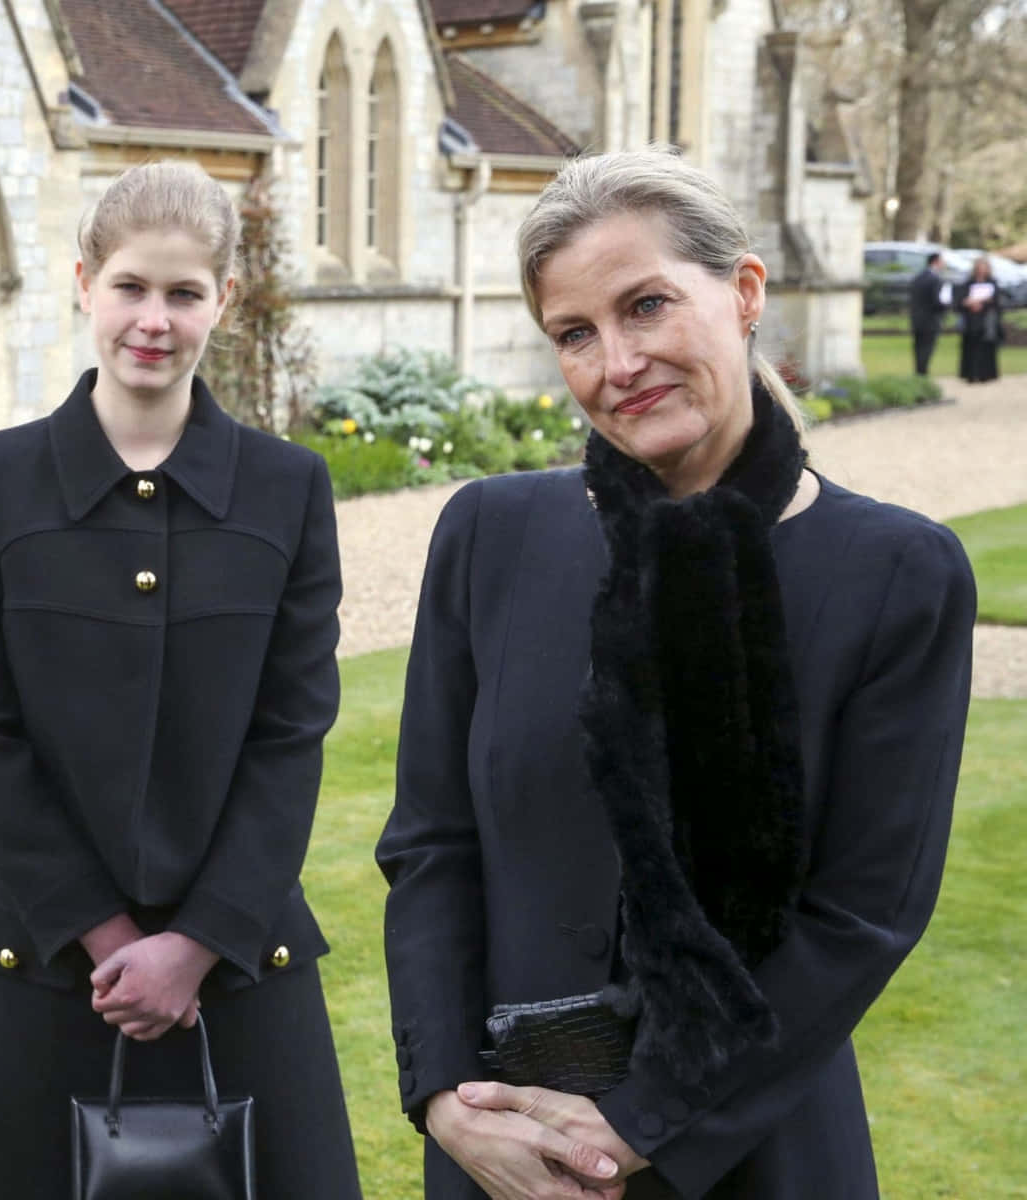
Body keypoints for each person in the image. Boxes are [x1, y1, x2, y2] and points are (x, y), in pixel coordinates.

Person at [377, 148, 974, 1200]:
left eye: (646, 306)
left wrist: (639, 1122)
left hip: (753, 1149)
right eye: (576, 333)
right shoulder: (490, 536)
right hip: (507, 1154)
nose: (617, 362)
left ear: (744, 293)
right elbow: (433, 844)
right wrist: (446, 1103)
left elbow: (863, 914)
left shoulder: (896, 573)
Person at [0, 161, 364, 1199]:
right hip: (40, 974)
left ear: (225, 299)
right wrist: (112, 937)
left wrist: (198, 942)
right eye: (130, 286)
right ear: (84, 282)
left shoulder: (287, 489)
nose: (153, 320)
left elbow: (290, 733)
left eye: (183, 292)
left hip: (241, 981)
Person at [955, 255, 1005, 383]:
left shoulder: (992, 283)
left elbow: (997, 302)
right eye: (979, 267)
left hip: (986, 320)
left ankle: (985, 374)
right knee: (970, 347)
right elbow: (959, 301)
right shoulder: (968, 283)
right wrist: (969, 303)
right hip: (971, 321)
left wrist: (982, 303)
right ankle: (970, 374)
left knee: (986, 346)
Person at [906, 250, 950, 375]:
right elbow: (938, 301)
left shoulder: (917, 278)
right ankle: (922, 373)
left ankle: (919, 373)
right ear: (936, 261)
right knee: (927, 348)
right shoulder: (935, 279)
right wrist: (946, 307)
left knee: (918, 348)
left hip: (916, 319)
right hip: (931, 320)